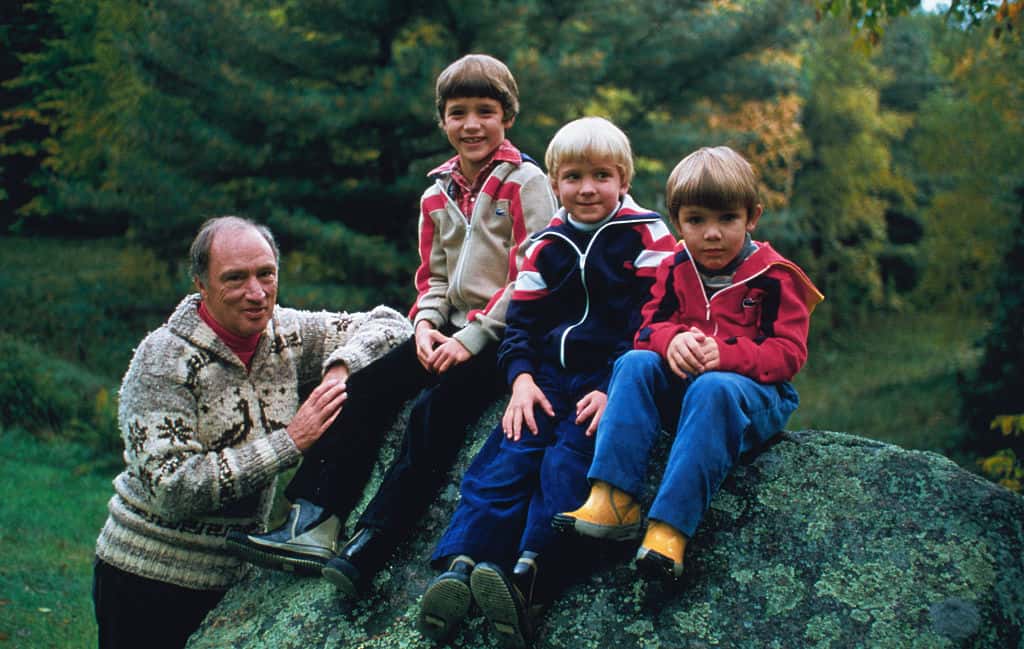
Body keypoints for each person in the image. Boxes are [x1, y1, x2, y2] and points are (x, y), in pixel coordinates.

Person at [227, 53, 557, 598]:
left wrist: (472, 339)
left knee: (434, 411)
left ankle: (374, 538)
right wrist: (425, 327)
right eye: (457, 113)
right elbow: (432, 277)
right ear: (442, 120)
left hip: (506, 336)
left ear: (508, 116)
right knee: (362, 388)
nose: (470, 125)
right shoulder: (437, 193)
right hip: (445, 328)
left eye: (484, 111)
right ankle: (314, 519)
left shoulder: (527, 183)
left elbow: (534, 274)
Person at [92, 216, 411, 649]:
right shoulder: (162, 359)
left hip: (238, 578)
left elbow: (391, 325)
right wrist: (290, 442)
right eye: (235, 278)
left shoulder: (286, 335)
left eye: (266, 274)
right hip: (146, 574)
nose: (257, 293)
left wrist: (340, 369)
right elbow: (172, 487)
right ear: (201, 284)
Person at [417, 117, 675, 648]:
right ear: (554, 183)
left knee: (567, 464)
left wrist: (616, 389)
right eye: (573, 176)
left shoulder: (647, 234)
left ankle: (530, 576)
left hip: (605, 383)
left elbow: (658, 318)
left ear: (623, 179)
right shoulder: (544, 243)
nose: (586, 188)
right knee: (507, 455)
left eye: (601, 176)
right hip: (547, 379)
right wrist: (521, 379)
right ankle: (462, 566)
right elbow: (522, 325)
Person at [554, 146, 824, 581]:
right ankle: (613, 498)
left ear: (752, 217)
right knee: (635, 362)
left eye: (727, 219)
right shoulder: (676, 265)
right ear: (678, 221)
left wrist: (729, 355)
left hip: (753, 397)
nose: (711, 234)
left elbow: (789, 355)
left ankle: (669, 530)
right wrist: (671, 340)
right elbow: (648, 329)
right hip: (686, 389)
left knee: (712, 387)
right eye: (696, 220)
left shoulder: (776, 276)